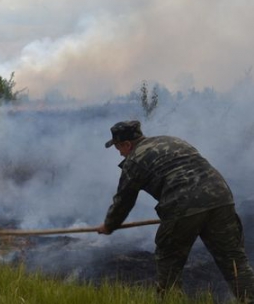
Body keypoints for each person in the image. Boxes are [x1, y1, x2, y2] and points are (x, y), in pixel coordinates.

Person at [97, 120, 254, 303]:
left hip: (182, 204)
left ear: (127, 144)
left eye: (119, 149)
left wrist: (109, 225)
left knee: (168, 261)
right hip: (221, 197)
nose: (120, 153)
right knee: (234, 260)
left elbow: (124, 200)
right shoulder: (171, 140)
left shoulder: (134, 160)